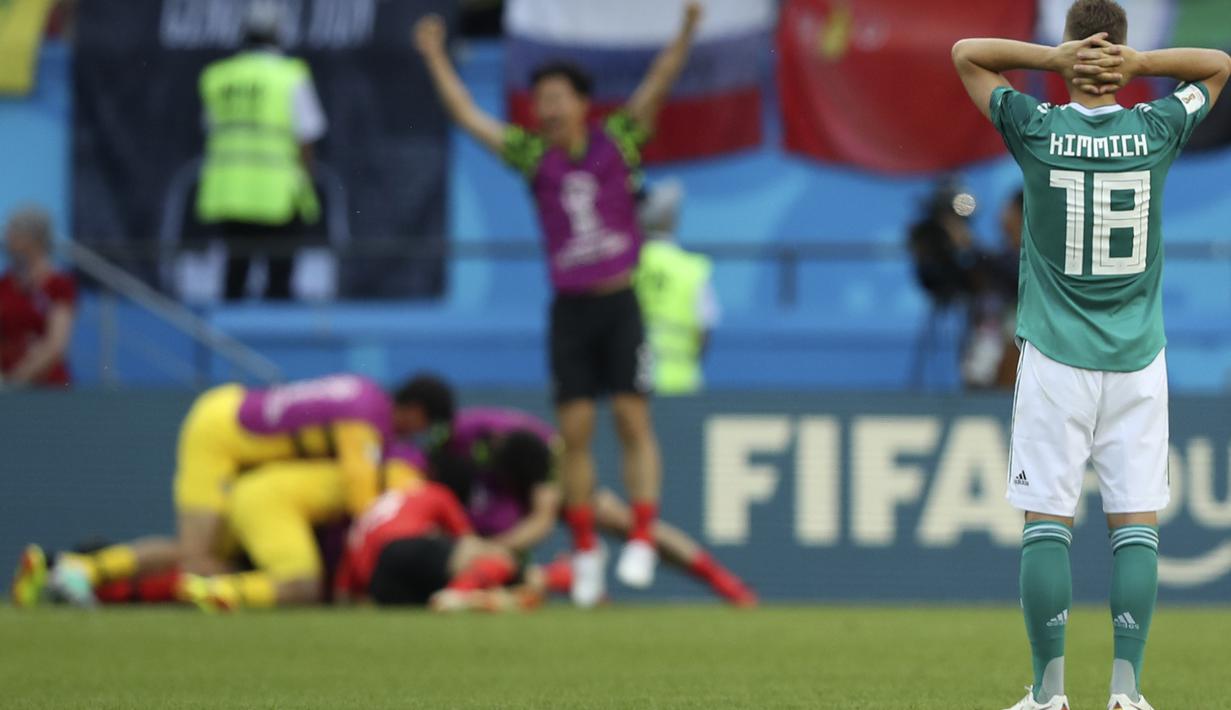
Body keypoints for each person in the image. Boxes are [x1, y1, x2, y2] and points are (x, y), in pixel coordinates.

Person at [952, 1, 1230, 708]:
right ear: (1120, 54)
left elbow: (965, 54)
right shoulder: (1156, 128)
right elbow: (1218, 65)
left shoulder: (1035, 128)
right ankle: (1126, 693)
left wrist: (1047, 61)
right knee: (1133, 524)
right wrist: (1142, 68)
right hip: (1138, 357)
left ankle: (1048, 696)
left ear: (1070, 51)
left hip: (1054, 356)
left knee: (1046, 521)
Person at [413, 2, 703, 608]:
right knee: (573, 436)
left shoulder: (618, 140)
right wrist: (437, 57)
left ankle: (643, 536)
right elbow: (469, 117)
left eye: (556, 97)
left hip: (619, 304)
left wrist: (687, 29)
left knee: (631, 421)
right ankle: (588, 550)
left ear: (580, 103)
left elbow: (660, 81)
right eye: (539, 97)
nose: (545, 107)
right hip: (569, 311)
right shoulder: (530, 157)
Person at [11, 373, 454, 607]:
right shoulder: (367, 421)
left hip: (229, 414)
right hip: (219, 436)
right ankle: (75, 571)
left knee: (208, 559)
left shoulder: (363, 392)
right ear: (413, 410)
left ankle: (75, 571)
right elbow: (363, 501)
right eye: (425, 427)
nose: (419, 437)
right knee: (193, 554)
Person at [411, 400, 756, 607]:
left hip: (548, 479)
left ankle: (724, 581)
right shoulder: (465, 434)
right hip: (480, 498)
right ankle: (563, 578)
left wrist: (488, 548)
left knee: (622, 521)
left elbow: (542, 521)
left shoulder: (549, 460)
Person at [196, 1, 326, 300]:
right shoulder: (290, 76)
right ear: (278, 34)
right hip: (277, 194)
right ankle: (275, 345)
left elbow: (209, 128)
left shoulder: (219, 77)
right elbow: (306, 137)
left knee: (234, 276)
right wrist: (306, 182)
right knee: (280, 279)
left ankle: (225, 342)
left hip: (231, 192)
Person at [334, 446, 519, 610]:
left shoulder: (381, 503)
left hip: (379, 584)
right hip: (404, 548)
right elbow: (469, 542)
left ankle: (460, 596)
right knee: (500, 557)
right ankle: (459, 594)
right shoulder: (436, 491)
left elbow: (342, 593)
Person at [633, 180, 720, 396]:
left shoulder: (624, 267)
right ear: (671, 220)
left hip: (631, 385)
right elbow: (705, 330)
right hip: (681, 385)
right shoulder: (691, 269)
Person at [0, 206, 76, 388]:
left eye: (13, 233)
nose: (6, 239)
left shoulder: (59, 285)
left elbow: (56, 344)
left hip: (46, 389)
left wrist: (16, 381)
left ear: (33, 240)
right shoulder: (4, 284)